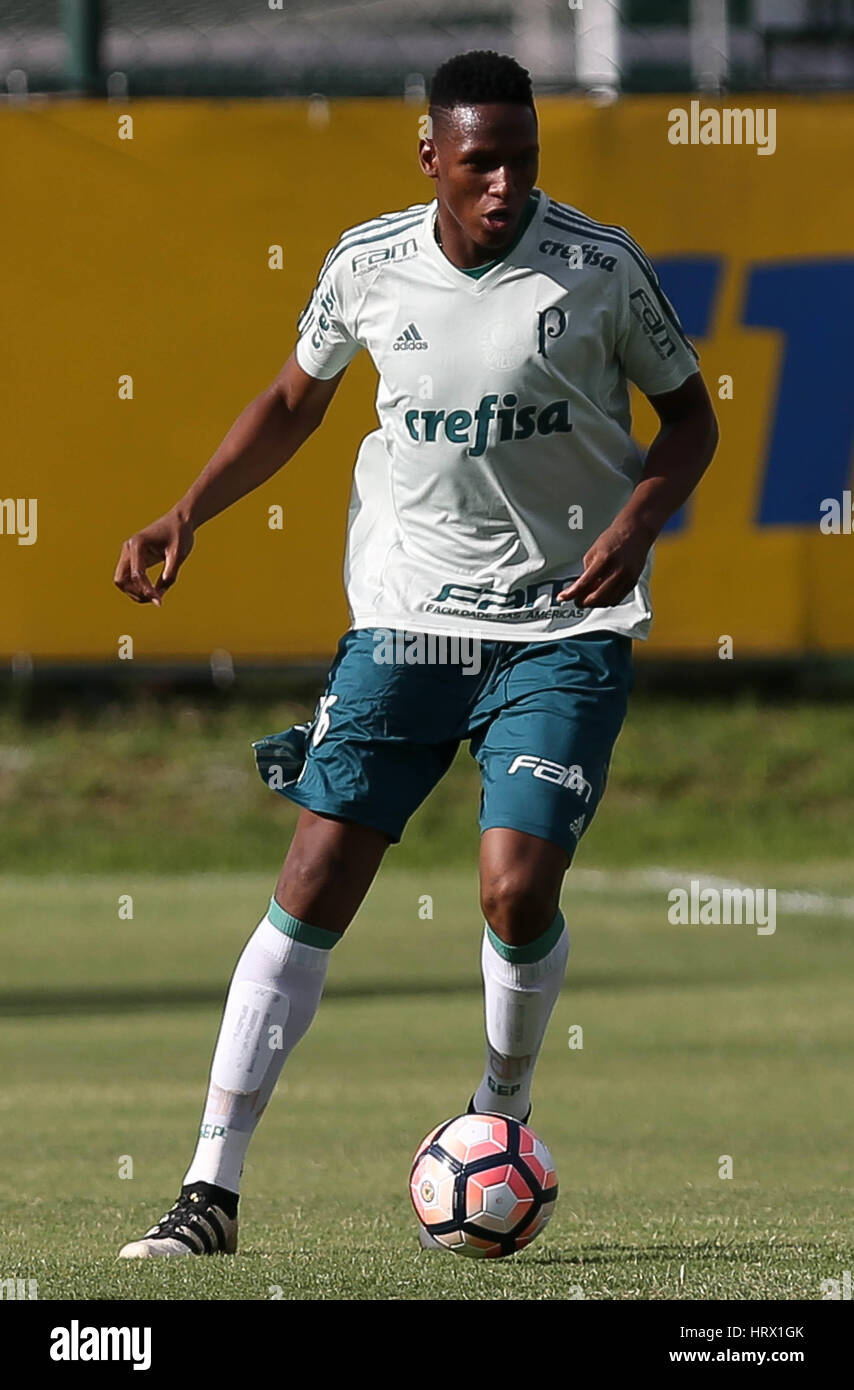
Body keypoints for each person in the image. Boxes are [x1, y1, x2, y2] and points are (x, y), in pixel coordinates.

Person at [113, 49, 718, 1258]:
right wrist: (187, 509)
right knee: (314, 873)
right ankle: (207, 1193)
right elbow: (294, 399)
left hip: (558, 625)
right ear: (431, 155)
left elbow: (689, 418)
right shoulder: (366, 265)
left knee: (511, 884)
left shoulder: (597, 269)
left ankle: (500, 1109)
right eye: (479, 160)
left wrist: (635, 520)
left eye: (521, 160)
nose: (503, 185)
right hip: (407, 622)